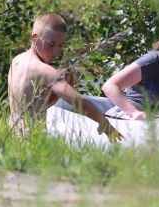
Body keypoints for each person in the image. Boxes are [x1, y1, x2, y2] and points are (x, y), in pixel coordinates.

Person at [8, 13, 121, 141]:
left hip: (14, 136)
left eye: (61, 45)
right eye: (51, 44)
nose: (56, 51)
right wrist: (104, 124)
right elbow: (81, 103)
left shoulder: (17, 61)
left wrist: (61, 82)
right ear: (35, 38)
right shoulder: (46, 71)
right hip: (33, 138)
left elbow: (37, 105)